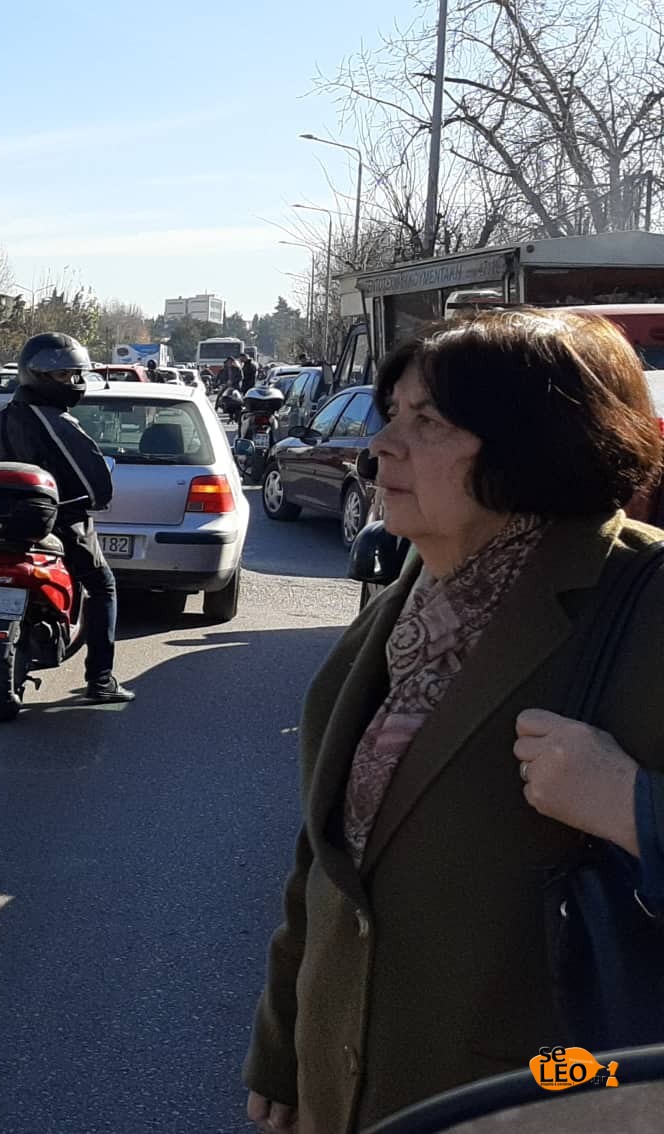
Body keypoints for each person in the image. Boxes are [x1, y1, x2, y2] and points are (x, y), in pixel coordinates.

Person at [242, 309, 664, 1134]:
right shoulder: (412, 593)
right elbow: (328, 854)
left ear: (533, 442)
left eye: (427, 422)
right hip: (350, 1094)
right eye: (391, 415)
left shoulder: (644, 601)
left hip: (549, 1100)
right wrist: (286, 1043)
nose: (380, 447)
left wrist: (632, 805)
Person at [0, 332, 134, 704]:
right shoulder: (56, 422)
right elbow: (95, 483)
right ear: (38, 376)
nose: (72, 382)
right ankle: (101, 679)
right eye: (63, 375)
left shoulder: (0, 419)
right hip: (56, 521)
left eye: (74, 374)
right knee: (103, 586)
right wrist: (94, 498)